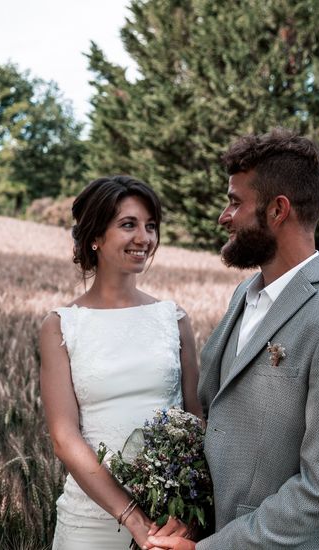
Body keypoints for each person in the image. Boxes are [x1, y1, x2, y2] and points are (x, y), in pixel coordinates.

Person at [145, 129, 319, 550]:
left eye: (236, 202)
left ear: (278, 210)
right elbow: (217, 415)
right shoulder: (246, 293)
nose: (224, 216)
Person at [40, 175, 203, 549]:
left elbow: (197, 423)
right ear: (94, 237)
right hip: (90, 522)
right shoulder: (62, 326)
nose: (144, 238)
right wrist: (132, 516)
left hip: (169, 524)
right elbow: (64, 438)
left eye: (151, 226)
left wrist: (186, 511)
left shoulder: (173, 319)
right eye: (128, 225)